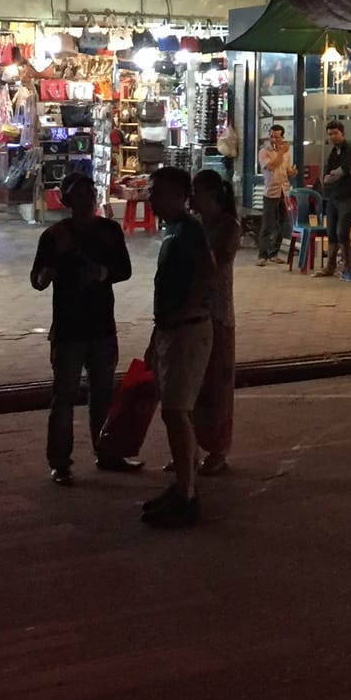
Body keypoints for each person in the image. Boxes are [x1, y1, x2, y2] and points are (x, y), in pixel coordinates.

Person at [30, 173, 133, 486]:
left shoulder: (109, 230)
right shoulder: (55, 236)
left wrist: (101, 273)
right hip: (69, 327)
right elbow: (36, 279)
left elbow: (124, 270)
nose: (86, 200)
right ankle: (60, 462)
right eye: (79, 195)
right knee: (64, 397)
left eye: (90, 194)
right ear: (67, 201)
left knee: (103, 394)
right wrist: (47, 273)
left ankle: (107, 452)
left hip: (101, 323)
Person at [143, 165, 214, 527]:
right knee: (173, 411)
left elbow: (207, 274)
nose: (149, 197)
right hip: (172, 329)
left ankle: (187, 494)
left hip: (188, 330)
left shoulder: (189, 231)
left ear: (176, 195)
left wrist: (186, 312)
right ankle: (182, 485)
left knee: (176, 411)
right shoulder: (173, 230)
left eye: (155, 191)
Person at [190, 170, 242, 477]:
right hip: (194, 312)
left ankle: (218, 449)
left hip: (218, 314)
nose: (191, 197)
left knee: (218, 386)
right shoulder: (197, 225)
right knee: (193, 385)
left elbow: (214, 264)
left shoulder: (228, 227)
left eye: (196, 191)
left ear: (210, 194)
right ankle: (190, 447)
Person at [317, 120, 351, 279]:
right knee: (331, 231)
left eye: (335, 133)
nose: (332, 137)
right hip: (333, 197)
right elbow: (327, 174)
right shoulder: (332, 152)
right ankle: (330, 266)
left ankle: (348, 267)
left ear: (342, 133)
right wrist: (328, 178)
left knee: (342, 231)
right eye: (330, 134)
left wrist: (330, 177)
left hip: (348, 196)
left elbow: (342, 170)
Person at [255, 124, 292, 265]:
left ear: (282, 137)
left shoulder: (287, 153)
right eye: (271, 136)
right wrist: (281, 153)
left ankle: (274, 253)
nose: (273, 139)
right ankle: (262, 255)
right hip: (271, 192)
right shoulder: (264, 152)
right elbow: (270, 166)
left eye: (277, 137)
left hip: (284, 191)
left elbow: (287, 170)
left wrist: (292, 172)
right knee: (267, 224)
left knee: (282, 224)